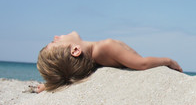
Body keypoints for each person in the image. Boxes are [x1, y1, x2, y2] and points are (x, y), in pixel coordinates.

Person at [36, 31, 182, 93]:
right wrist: (168, 61)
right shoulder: (105, 47)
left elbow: (70, 76)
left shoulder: (91, 61)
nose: (56, 36)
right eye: (54, 42)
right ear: (75, 51)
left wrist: (48, 85)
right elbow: (141, 63)